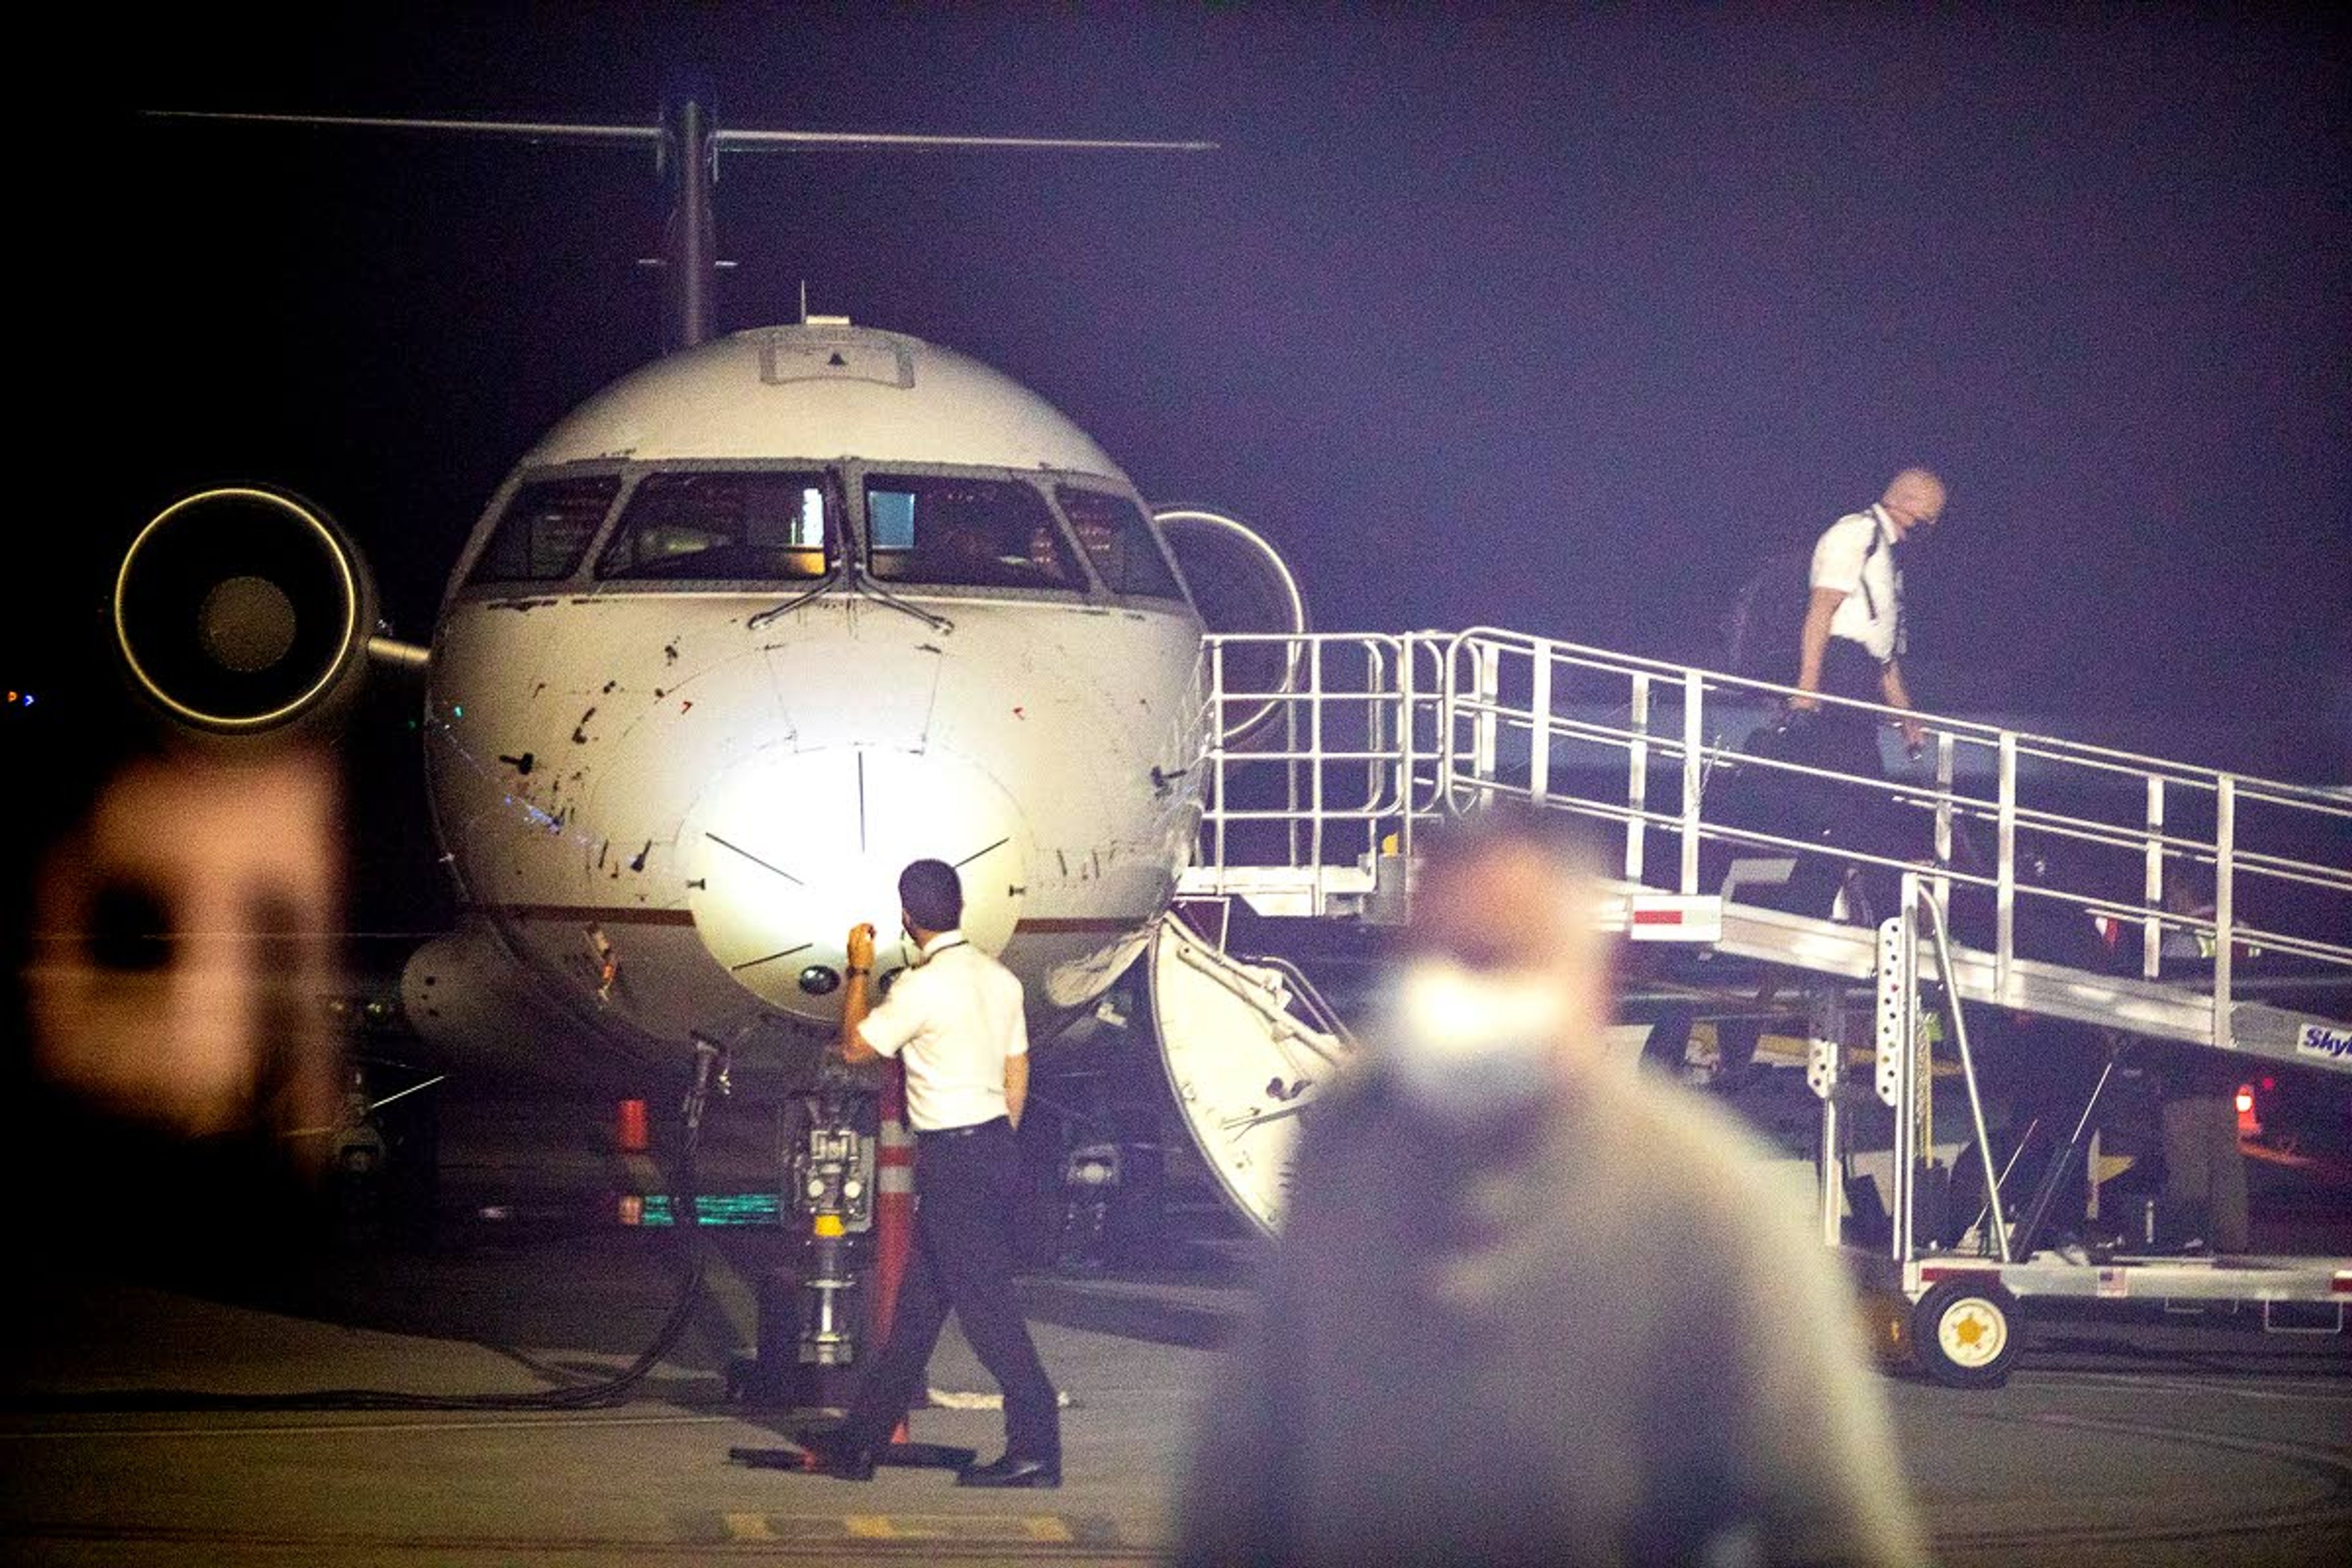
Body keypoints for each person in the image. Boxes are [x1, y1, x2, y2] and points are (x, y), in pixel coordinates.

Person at [1172, 812, 1927, 1567]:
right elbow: (1243, 1469)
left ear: (1595, 978)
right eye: (1426, 959)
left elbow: (1835, 1525)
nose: (1453, 995)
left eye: (1495, 960)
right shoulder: (1351, 1155)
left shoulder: (1704, 1205)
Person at [799, 858, 1061, 1488]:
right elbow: (1017, 1070)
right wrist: (995, 1142)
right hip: (996, 1142)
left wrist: (858, 968)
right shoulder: (1000, 980)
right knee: (918, 1313)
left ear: (906, 917)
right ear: (961, 907)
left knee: (987, 1310)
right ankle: (860, 1442)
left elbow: (857, 1046)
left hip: (953, 1156)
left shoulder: (920, 987)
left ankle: (1037, 1447)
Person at [1787, 467, 1947, 921]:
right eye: (1930, 516)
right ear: (1911, 504)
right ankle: (1892, 921)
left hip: (1858, 673)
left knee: (1851, 813)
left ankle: (1798, 911)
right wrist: (1807, 688)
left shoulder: (1888, 557)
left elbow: (1883, 654)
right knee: (1869, 805)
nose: (1931, 527)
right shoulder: (1856, 533)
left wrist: (1906, 717)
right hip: (1838, 672)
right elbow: (1822, 612)